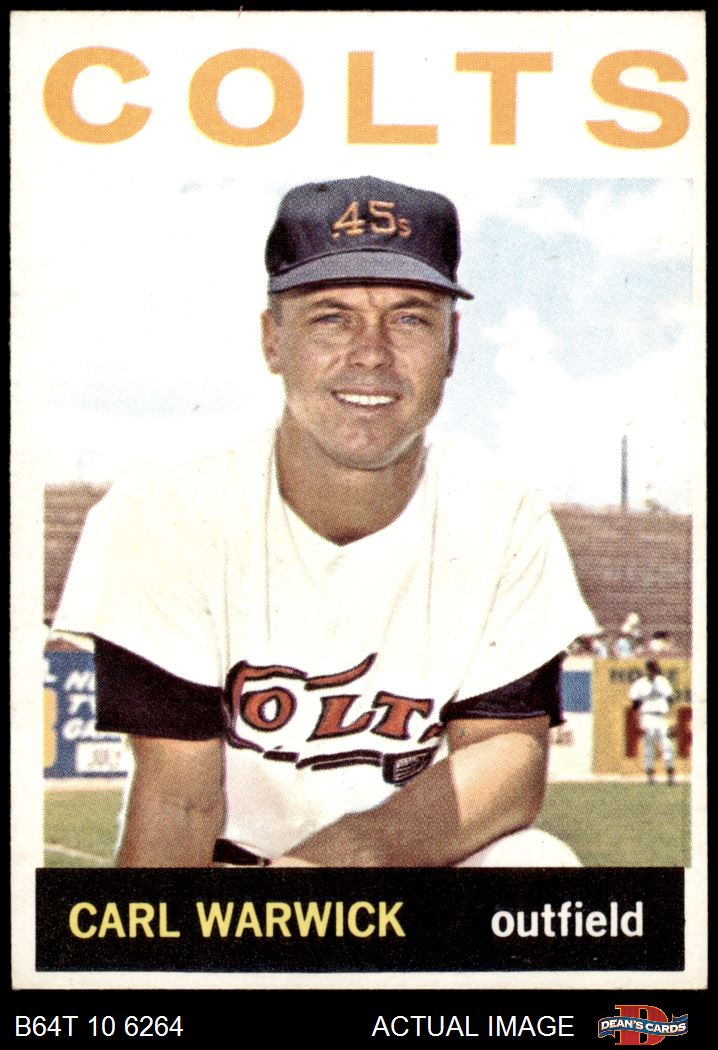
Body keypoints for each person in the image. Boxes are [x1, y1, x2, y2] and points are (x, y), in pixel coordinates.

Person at [53, 175, 597, 868]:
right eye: (331, 318)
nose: (371, 353)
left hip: (405, 862)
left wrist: (332, 866)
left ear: (453, 345)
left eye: (409, 318)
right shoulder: (167, 509)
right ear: (272, 341)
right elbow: (180, 800)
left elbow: (507, 758)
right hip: (228, 871)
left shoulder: (501, 514)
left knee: (535, 865)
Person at [629, 659, 675, 785]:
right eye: (651, 669)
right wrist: (637, 721)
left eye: (655, 669)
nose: (653, 671)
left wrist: (671, 718)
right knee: (648, 747)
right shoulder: (640, 684)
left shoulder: (662, 682)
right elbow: (635, 704)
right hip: (647, 716)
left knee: (667, 745)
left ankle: (670, 775)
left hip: (661, 716)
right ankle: (650, 776)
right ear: (647, 670)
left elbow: (670, 699)